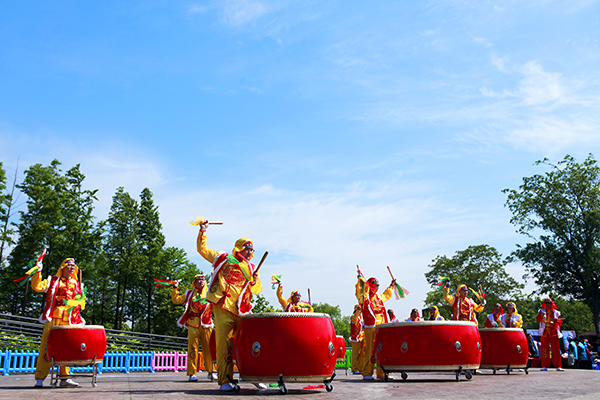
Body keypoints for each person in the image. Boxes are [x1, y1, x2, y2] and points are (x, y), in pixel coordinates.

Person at [197, 220, 263, 391]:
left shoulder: (251, 268)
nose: (250, 252)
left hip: (242, 310)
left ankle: (253, 375)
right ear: (239, 248)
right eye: (247, 249)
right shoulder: (224, 258)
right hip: (223, 307)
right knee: (224, 344)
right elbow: (202, 250)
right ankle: (225, 380)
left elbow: (256, 290)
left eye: (252, 250)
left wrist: (255, 281)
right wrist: (203, 231)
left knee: (249, 343)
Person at [30, 258, 84, 388]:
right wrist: (38, 271)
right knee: (47, 346)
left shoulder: (76, 283)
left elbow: (80, 302)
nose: (71, 268)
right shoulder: (53, 281)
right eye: (69, 265)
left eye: (73, 266)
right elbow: (37, 286)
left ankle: (65, 378)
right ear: (62, 267)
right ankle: (40, 378)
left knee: (67, 347)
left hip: (69, 319)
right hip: (55, 317)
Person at [172, 275, 216, 381]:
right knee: (192, 348)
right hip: (193, 323)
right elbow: (176, 300)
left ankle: (211, 371)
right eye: (198, 280)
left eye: (203, 280)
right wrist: (175, 288)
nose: (201, 281)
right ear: (194, 283)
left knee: (209, 349)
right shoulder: (189, 294)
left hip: (206, 324)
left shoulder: (210, 292)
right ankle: (192, 373)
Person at [356, 275, 395, 380]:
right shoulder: (365, 297)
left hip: (381, 326)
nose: (378, 287)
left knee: (381, 348)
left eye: (378, 285)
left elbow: (386, 295)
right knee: (369, 349)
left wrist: (391, 286)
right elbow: (359, 292)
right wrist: (360, 280)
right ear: (372, 286)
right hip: (370, 326)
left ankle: (381, 372)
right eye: (376, 285)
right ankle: (367, 373)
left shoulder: (378, 297)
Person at [536, 298, 564, 371]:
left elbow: (560, 321)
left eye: (548, 303)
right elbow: (538, 319)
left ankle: (558, 365)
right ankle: (545, 365)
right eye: (546, 303)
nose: (547, 304)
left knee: (556, 349)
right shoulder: (542, 311)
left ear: (551, 304)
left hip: (553, 332)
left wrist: (556, 322)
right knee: (544, 349)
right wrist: (541, 316)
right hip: (545, 332)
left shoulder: (556, 312)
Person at [349, 304, 365, 375]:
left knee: (362, 354)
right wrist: (358, 310)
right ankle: (354, 369)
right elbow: (354, 319)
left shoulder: (361, 318)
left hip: (361, 338)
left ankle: (360, 368)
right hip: (355, 338)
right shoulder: (353, 317)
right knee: (355, 355)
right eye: (359, 309)